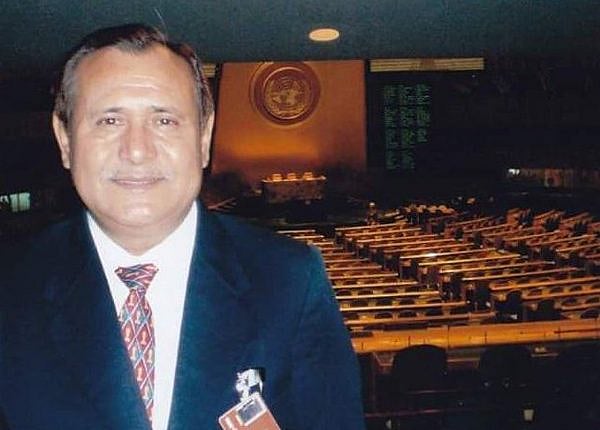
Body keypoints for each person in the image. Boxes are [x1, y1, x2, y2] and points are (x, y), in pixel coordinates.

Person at [0, 24, 364, 430]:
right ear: (65, 140)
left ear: (204, 137)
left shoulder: (290, 279)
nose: (137, 151)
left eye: (165, 121)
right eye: (109, 120)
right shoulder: (12, 289)